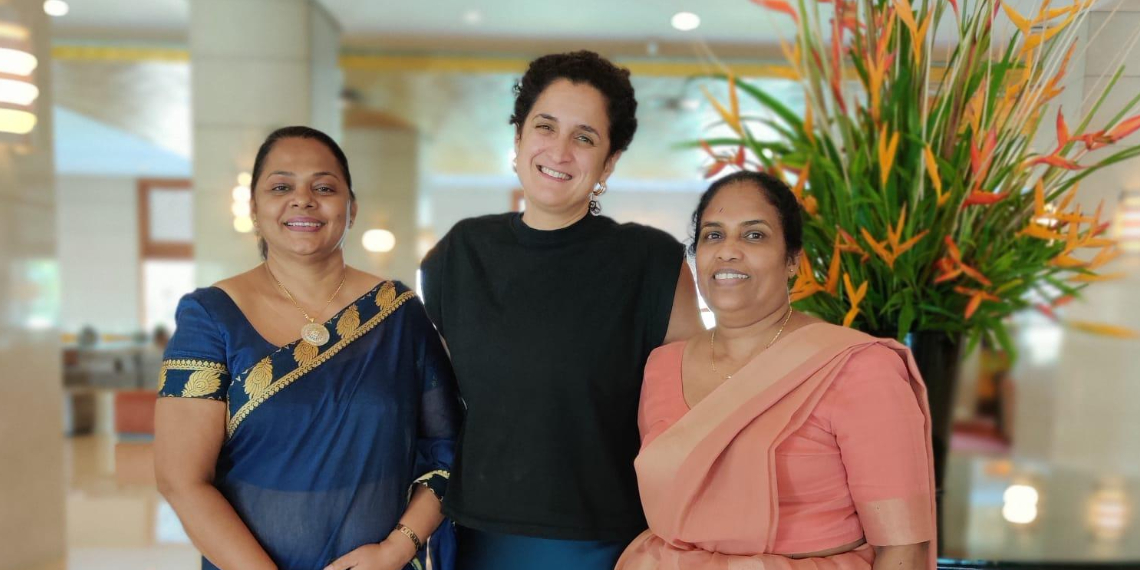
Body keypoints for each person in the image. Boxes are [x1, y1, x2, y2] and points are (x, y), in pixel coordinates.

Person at [419, 50, 704, 570]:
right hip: (476, 533)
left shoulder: (650, 261)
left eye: (585, 137)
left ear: (609, 162)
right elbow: (426, 403)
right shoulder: (460, 253)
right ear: (519, 140)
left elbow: (693, 412)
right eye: (545, 127)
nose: (560, 150)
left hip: (605, 541)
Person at [154, 126, 460, 570]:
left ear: (351, 209)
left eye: (324, 187)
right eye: (281, 186)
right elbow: (181, 480)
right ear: (254, 209)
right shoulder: (210, 316)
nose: (303, 199)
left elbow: (447, 450)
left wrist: (397, 549)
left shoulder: (398, 314)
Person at [617, 171, 936, 570]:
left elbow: (902, 548)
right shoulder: (662, 367)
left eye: (754, 235)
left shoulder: (859, 367)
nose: (728, 251)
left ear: (792, 261)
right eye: (713, 235)